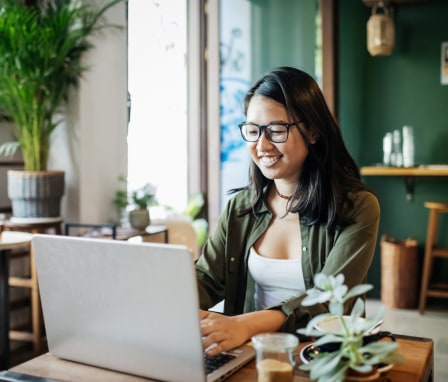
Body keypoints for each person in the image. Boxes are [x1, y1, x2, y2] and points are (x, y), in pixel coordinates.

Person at [196, 66, 380, 356]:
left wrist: (245, 325)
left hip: (322, 358)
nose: (262, 145)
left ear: (313, 131)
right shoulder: (240, 208)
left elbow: (328, 301)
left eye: (277, 130)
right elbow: (206, 278)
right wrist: (174, 306)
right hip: (249, 355)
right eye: (253, 130)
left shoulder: (357, 207)